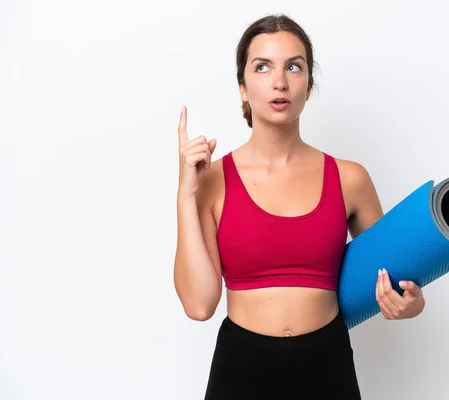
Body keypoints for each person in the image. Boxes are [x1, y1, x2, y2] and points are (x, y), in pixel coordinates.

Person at [173, 14, 426, 400]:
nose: (280, 82)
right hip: (241, 370)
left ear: (308, 86)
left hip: (328, 366)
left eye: (294, 66)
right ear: (243, 87)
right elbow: (199, 305)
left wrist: (413, 304)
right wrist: (185, 193)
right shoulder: (211, 181)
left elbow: (396, 276)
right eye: (263, 67)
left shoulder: (349, 178)